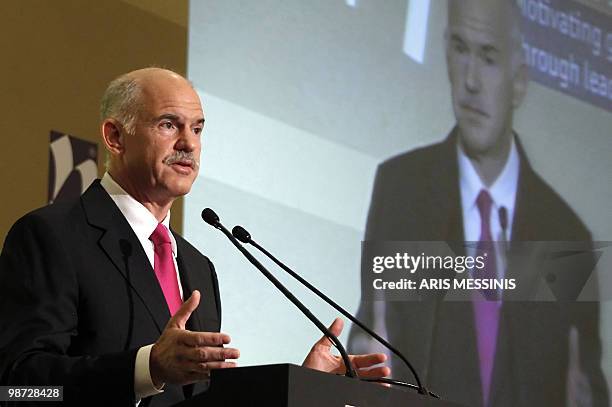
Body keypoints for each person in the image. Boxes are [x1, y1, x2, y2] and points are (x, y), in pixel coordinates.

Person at [0, 68, 389, 406]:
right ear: (115, 136)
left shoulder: (198, 267)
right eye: (169, 124)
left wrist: (303, 389)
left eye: (197, 128)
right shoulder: (52, 236)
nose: (188, 143)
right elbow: (18, 386)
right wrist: (147, 368)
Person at [348, 1, 609, 406]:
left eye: (488, 57)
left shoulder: (568, 234)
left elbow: (586, 382)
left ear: (519, 80)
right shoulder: (400, 186)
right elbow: (373, 330)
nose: (470, 81)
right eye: (460, 48)